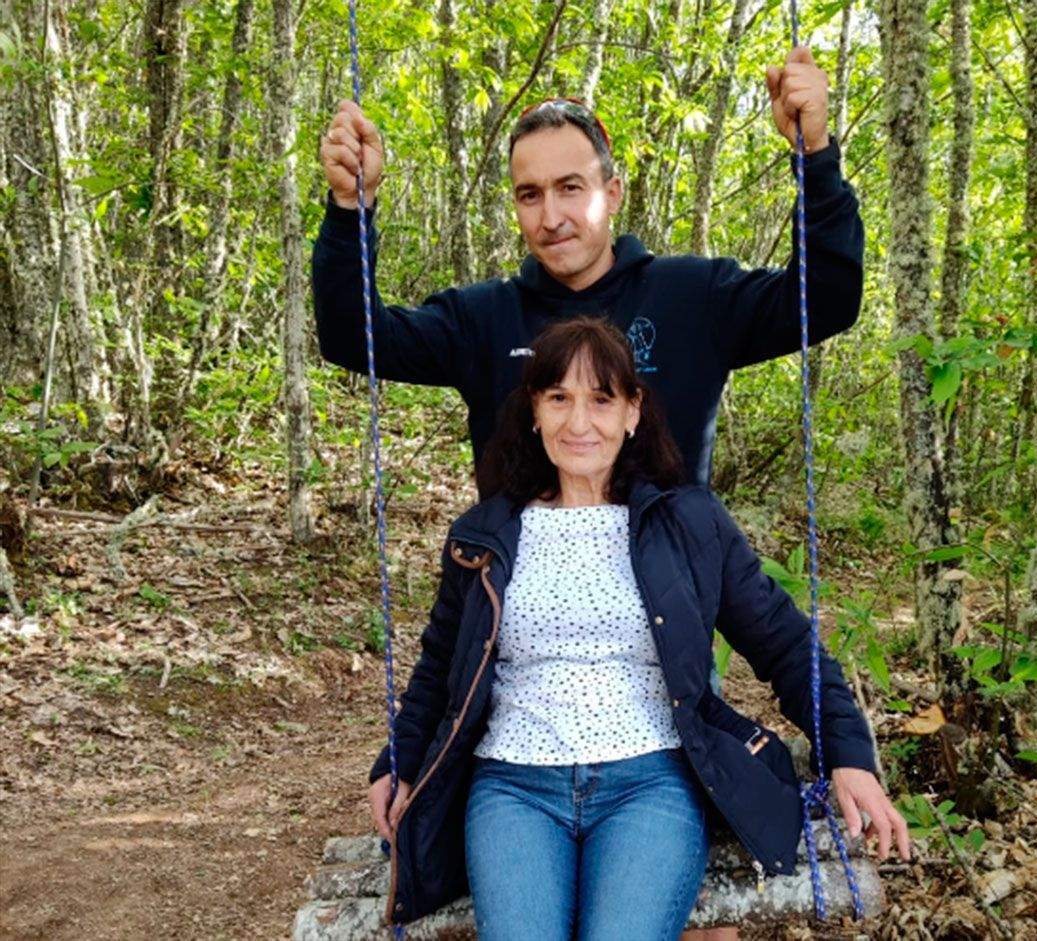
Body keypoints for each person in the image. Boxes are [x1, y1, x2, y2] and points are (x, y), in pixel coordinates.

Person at [366, 317, 910, 939]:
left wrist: (848, 755)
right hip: (514, 787)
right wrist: (398, 761)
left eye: (601, 399)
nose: (579, 422)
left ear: (632, 411)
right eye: (559, 398)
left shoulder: (688, 525)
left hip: (649, 784)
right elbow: (440, 666)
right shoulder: (485, 534)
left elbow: (786, 645)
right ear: (535, 412)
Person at [313, 46, 863, 486]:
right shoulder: (482, 318)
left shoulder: (694, 296)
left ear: (613, 192)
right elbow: (352, 338)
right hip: (522, 591)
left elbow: (828, 301)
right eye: (530, 195)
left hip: (668, 589)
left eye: (571, 188)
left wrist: (814, 154)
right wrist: (350, 208)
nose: (551, 217)